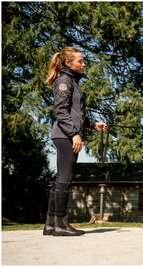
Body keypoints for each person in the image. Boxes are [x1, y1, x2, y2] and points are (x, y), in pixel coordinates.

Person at [44, 47, 107, 236]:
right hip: (65, 135)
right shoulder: (64, 81)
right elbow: (60, 111)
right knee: (64, 179)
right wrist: (74, 134)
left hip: (65, 134)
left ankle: (51, 224)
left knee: (60, 181)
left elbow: (75, 114)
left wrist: (94, 124)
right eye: (80, 61)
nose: (83, 63)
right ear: (69, 63)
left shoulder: (72, 81)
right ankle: (61, 225)